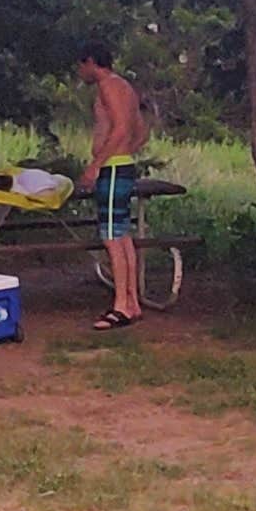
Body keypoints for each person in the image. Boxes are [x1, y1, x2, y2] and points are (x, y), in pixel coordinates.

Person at [77, 52, 151, 329]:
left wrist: (97, 164)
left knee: (111, 237)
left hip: (112, 169)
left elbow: (120, 129)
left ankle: (120, 305)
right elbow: (141, 130)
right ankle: (131, 302)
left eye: (81, 66)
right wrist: (126, 154)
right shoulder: (126, 87)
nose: (80, 72)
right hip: (122, 166)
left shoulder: (108, 86)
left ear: (91, 62)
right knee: (122, 236)